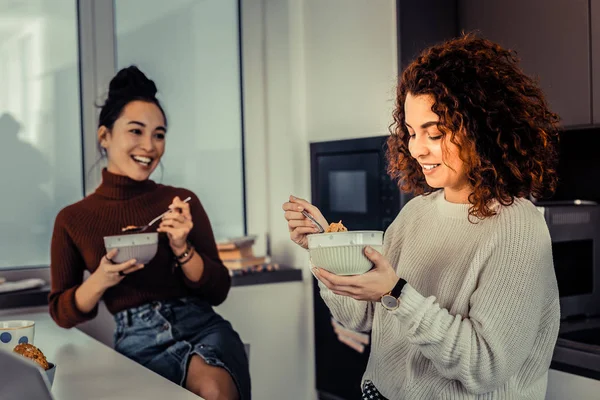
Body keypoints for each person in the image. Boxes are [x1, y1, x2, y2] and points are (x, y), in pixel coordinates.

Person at [283, 34, 560, 399]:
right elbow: (361, 317)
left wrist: (396, 292)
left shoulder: (518, 228)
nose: (416, 148)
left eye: (435, 133)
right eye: (412, 133)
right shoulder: (415, 213)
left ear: (481, 128)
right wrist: (321, 247)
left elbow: (485, 366)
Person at [49, 66, 250, 400]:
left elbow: (218, 290)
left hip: (202, 325)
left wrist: (182, 247)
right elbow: (62, 312)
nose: (150, 146)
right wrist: (101, 279)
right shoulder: (73, 219)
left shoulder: (180, 202)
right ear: (104, 137)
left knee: (214, 388)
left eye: (159, 134)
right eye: (136, 131)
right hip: (137, 339)